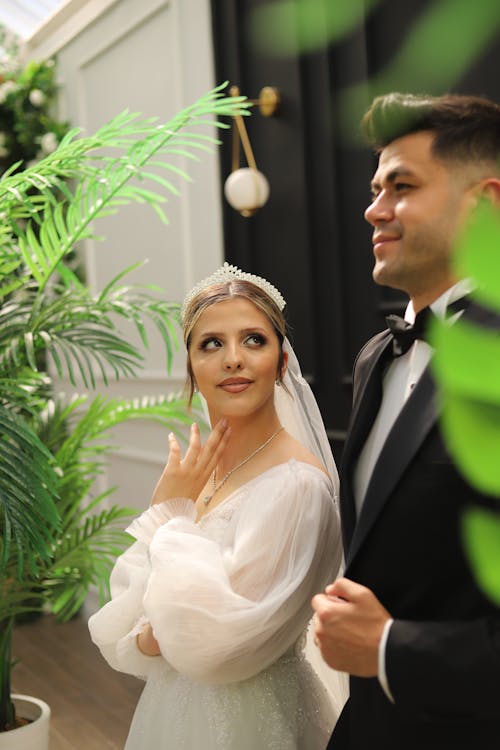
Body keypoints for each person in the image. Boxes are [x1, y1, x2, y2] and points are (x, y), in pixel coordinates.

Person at [88, 263, 346, 749]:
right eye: (211, 343)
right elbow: (141, 606)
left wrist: (169, 516)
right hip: (175, 713)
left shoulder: (297, 486)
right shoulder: (201, 471)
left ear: (282, 361)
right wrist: (172, 512)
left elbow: (216, 645)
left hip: (251, 720)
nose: (233, 359)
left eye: (253, 340)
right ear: (190, 364)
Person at [312, 92, 500, 749]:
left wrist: (392, 648)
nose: (373, 208)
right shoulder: (374, 358)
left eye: (402, 185)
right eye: (374, 188)